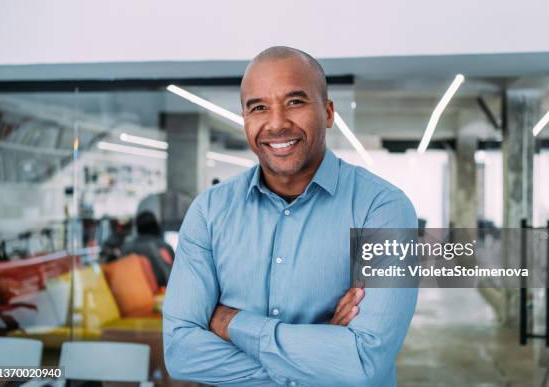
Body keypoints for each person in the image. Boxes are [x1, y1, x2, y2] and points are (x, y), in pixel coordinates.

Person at [163, 46, 418, 386]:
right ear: (245, 120)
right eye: (258, 107)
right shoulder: (209, 212)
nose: (277, 123)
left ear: (328, 112)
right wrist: (318, 356)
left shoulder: (384, 209)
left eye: (295, 102)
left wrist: (232, 322)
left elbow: (364, 362)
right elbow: (181, 354)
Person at [122, 211, 174, 287]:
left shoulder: (127, 248)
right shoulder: (164, 247)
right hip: (162, 294)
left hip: (132, 293)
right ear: (156, 226)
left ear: (138, 228)